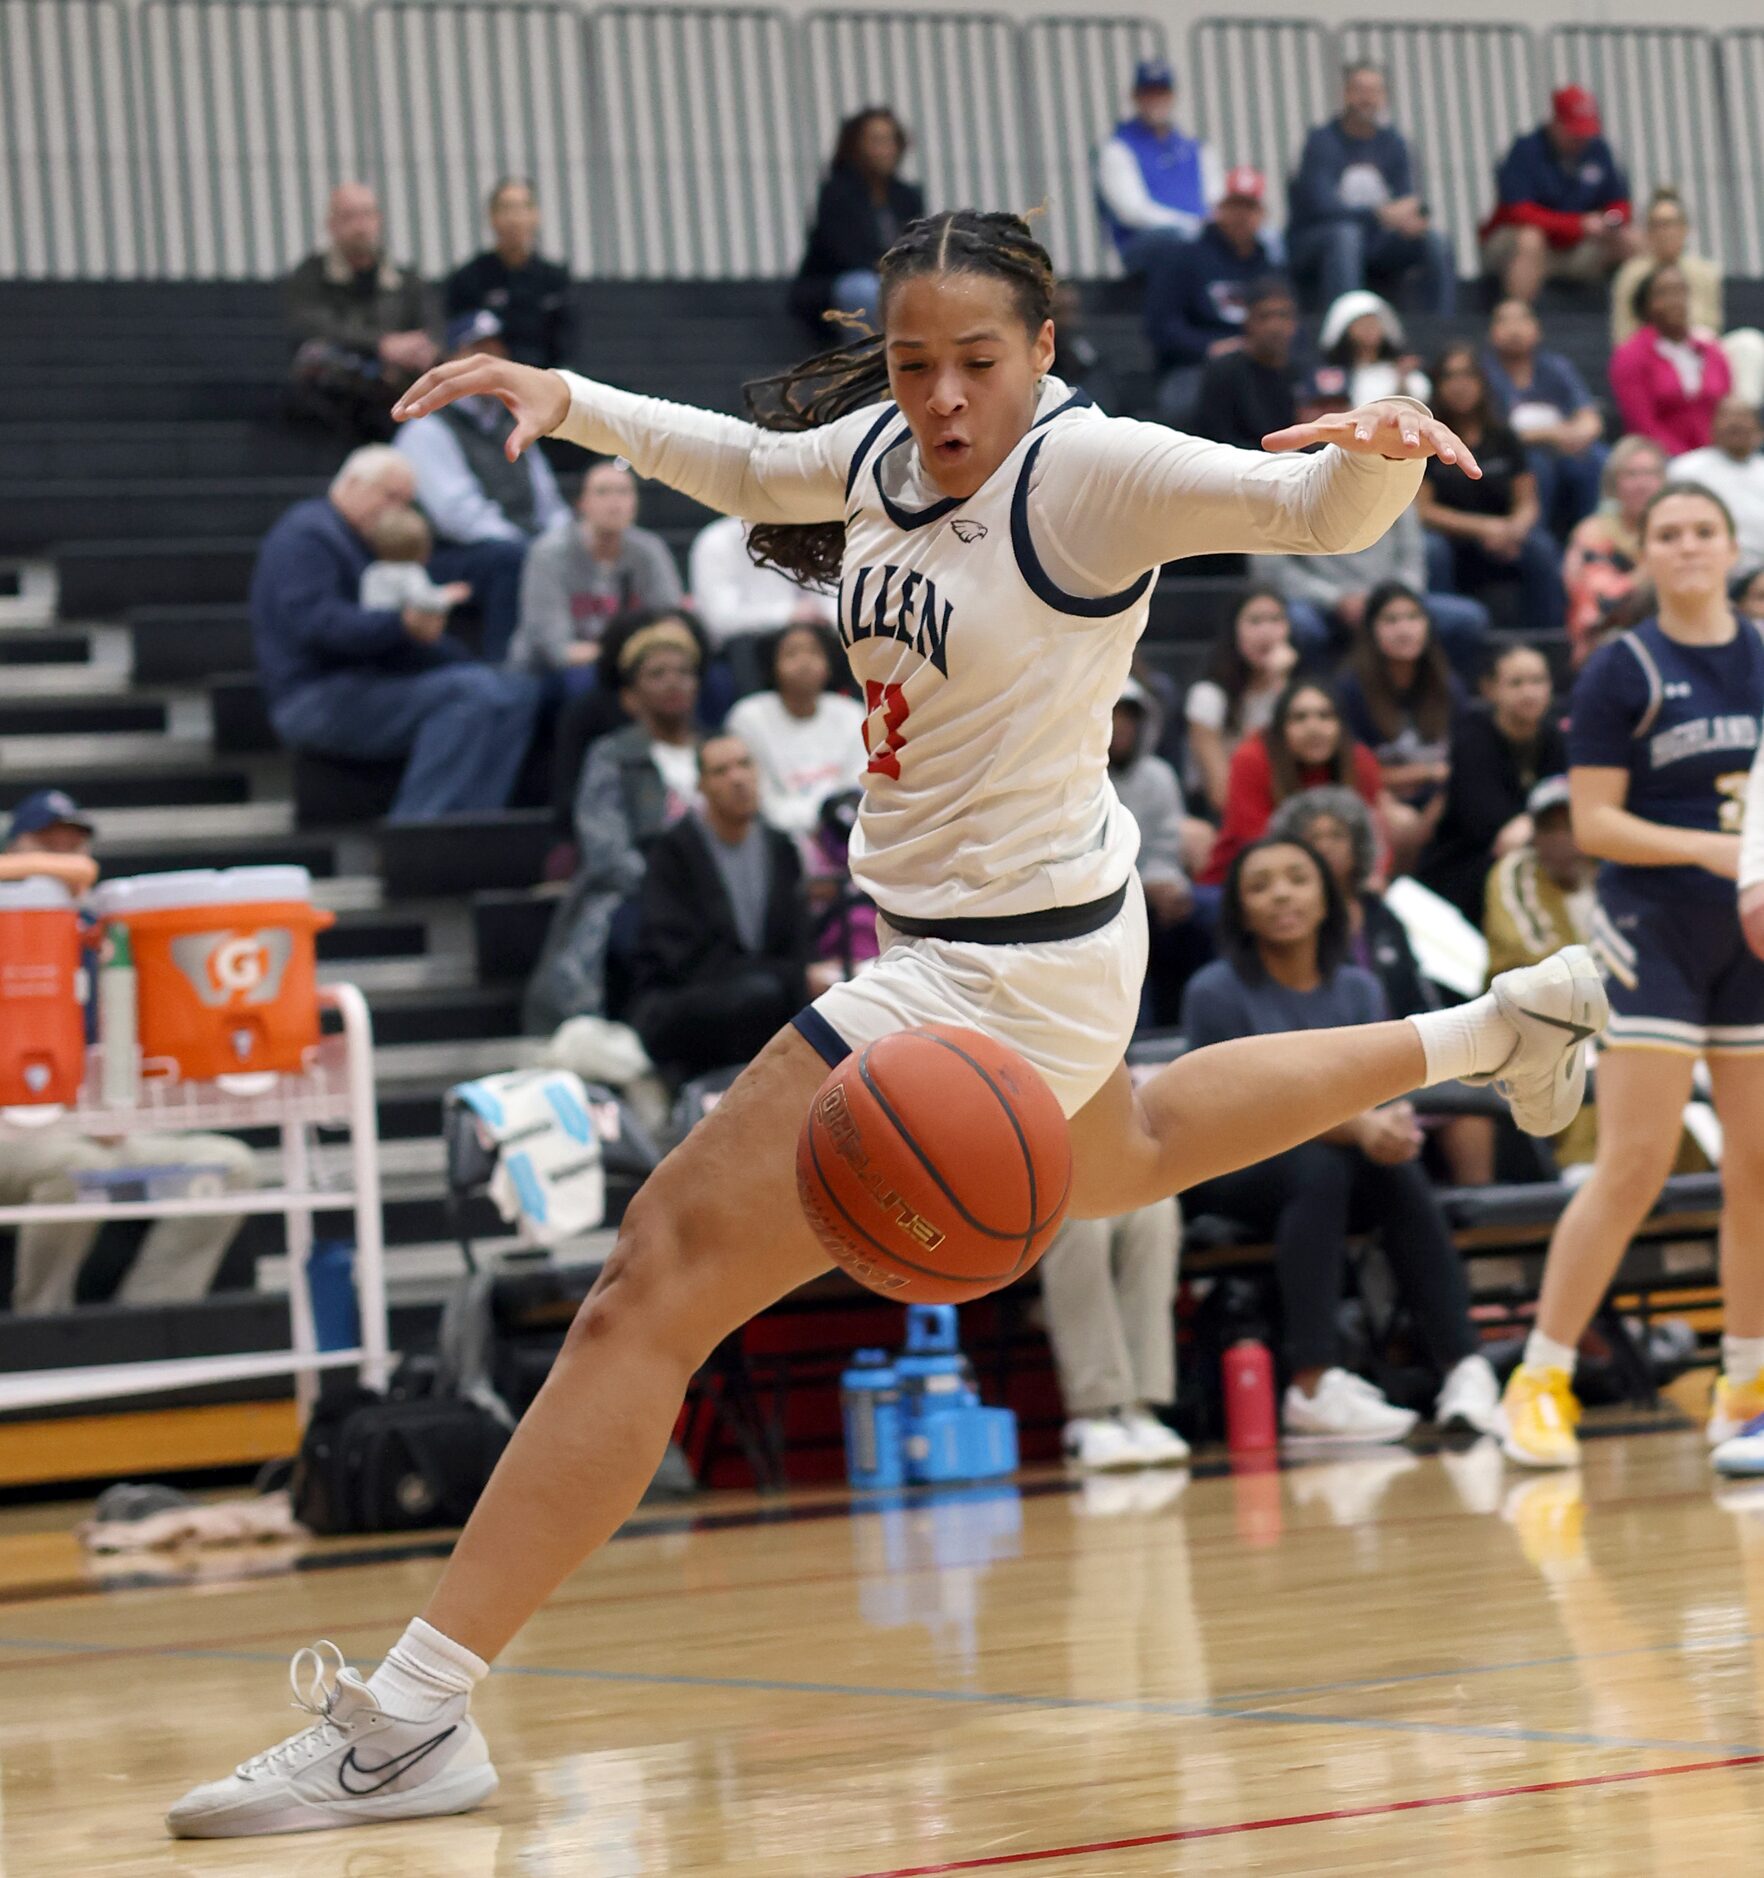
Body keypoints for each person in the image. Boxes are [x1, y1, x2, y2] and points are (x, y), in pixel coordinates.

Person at [171, 206, 1602, 1836]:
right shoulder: (884, 447)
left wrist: (1373, 451)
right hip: (1000, 928)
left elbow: (1301, 508)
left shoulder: (1086, 469)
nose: (937, 395)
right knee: (1119, 1151)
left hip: (995, 964)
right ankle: (1492, 1025)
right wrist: (564, 398)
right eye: (912, 361)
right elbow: (742, 462)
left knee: (644, 1286)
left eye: (973, 362)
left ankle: (407, 1716)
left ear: (1042, 347)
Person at [1500, 483, 1764, 1471]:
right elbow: (1596, 824)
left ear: (1731, 546)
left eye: (1703, 531)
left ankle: (1746, 1388)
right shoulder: (1624, 667)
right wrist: (1708, 852)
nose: (1688, 546)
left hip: (1750, 933)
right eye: (1668, 534)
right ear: (1645, 553)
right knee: (1636, 1162)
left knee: (1758, 1168)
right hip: (1652, 927)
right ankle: (1540, 1378)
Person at [1180, 838, 1503, 1441]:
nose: (1280, 893)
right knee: (1320, 1162)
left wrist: (1393, 1124)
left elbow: (1378, 1092)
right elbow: (1231, 1108)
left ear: (1327, 900)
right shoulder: (1214, 992)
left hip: (1335, 1166)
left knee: (1390, 1167)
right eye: (1260, 884)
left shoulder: (1358, 989)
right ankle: (1312, 1383)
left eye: (1297, 879)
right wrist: (1360, 1126)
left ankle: (1465, 1367)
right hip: (1229, 1168)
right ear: (1241, 910)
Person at [0, 795, 258, 1315]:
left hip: (99, 1122)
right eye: (46, 845)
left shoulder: (102, 937)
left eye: (74, 846)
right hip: (16, 1130)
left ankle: (150, 1323)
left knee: (229, 1166)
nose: (63, 859)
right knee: (76, 1166)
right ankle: (41, 1327)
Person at [249, 446, 539, 822]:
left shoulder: (363, 541)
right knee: (470, 695)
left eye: (405, 502)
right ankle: (418, 833)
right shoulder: (306, 536)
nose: (396, 511)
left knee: (515, 691)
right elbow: (318, 626)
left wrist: (438, 643)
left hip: (369, 680)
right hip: (315, 694)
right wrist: (402, 624)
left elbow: (391, 631)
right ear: (352, 483)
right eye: (390, 496)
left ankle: (471, 825)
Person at [1271, 786, 1496, 1186]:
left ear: (1358, 844)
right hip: (1340, 1065)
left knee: (1470, 1098)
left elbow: (1416, 990)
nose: (1325, 847)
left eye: (1336, 836)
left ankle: (1482, 1233)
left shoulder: (1382, 914)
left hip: (1403, 1051)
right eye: (1313, 837)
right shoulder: (1288, 922)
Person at [526, 611, 706, 1033]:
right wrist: (674, 888)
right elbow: (607, 852)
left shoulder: (719, 749)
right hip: (636, 893)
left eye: (683, 672)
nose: (674, 682)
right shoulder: (612, 756)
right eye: (657, 674)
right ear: (631, 696)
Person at [1251, 363, 1488, 679]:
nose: (1330, 414)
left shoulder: (1382, 454)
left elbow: (1411, 548)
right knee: (1299, 624)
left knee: (1469, 618)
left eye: (1338, 405)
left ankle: (1441, 697)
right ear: (1301, 410)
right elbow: (1270, 566)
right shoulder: (1278, 469)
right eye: (1320, 405)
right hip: (1322, 602)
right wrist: (1337, 599)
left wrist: (1392, 600)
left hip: (1387, 595)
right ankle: (1314, 701)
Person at [627, 736, 835, 1078]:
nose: (737, 779)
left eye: (744, 765)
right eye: (721, 771)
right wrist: (791, 976)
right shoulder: (674, 851)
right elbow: (683, 958)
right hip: (684, 997)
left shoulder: (780, 847)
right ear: (701, 787)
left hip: (767, 989)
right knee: (763, 995)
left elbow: (798, 942)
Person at [395, 309, 569, 658]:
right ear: (447, 362)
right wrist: (534, 548)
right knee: (510, 558)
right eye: (474, 355)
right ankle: (501, 664)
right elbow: (458, 516)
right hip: (451, 555)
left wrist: (561, 540)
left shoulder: (512, 420)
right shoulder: (426, 427)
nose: (489, 366)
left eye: (496, 355)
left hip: (518, 541)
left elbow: (548, 500)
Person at [1482, 775, 1599, 1172]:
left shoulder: (1618, 870)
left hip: (1614, 1008)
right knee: (1582, 1041)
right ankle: (1583, 1169)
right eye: (1550, 827)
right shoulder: (1514, 873)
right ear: (1534, 834)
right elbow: (1536, 961)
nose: (1564, 838)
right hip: (1533, 1017)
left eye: (1572, 823)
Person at [1287, 63, 1453, 317]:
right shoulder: (1321, 141)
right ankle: (1347, 324)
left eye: (1374, 91)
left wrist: (1414, 218)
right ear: (1345, 94)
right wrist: (1378, 215)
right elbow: (1321, 206)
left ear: (1384, 97)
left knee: (1435, 239)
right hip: (1319, 240)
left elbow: (1407, 198)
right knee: (1346, 235)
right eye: (1359, 90)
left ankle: (1444, 328)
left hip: (1379, 241)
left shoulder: (1395, 143)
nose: (1367, 98)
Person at [1417, 344, 1563, 631]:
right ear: (1438, 385)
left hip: (1503, 538)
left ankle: (1547, 640)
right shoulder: (1427, 439)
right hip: (1452, 540)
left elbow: (1528, 501)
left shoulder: (1504, 436)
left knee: (1541, 549)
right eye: (1449, 377)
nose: (1459, 385)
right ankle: (1446, 633)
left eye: (1467, 376)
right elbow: (1424, 511)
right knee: (1432, 550)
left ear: (1482, 383)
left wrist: (1514, 529)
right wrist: (1486, 528)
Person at [1417, 642, 1566, 923]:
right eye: (1516, 683)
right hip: (1465, 872)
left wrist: (1534, 824)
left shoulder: (1555, 738)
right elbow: (1494, 830)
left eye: (1538, 681)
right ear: (1489, 689)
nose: (1529, 692)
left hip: (1534, 859)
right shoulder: (1471, 741)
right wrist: (1542, 822)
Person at [1039, 1200, 1190, 1470]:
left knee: (1156, 1207)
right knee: (1078, 1215)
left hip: (1100, 1180)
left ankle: (1139, 1409)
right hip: (1028, 1199)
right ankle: (1095, 1411)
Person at [1202, 676, 1395, 885]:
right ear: (1279, 728)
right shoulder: (1251, 759)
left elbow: (1376, 839)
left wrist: (1374, 877)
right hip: (1249, 882)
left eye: (1325, 716)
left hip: (1340, 886)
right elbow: (1254, 841)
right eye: (1299, 718)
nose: (1314, 728)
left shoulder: (1359, 760)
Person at [283, 183, 437, 442]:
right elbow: (308, 327)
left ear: (378, 220)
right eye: (349, 216)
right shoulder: (309, 276)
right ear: (331, 225)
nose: (360, 225)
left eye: (366, 215)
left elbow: (432, 329)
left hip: (399, 387)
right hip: (337, 395)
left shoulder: (407, 280)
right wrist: (381, 345)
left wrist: (419, 350)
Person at [508, 460, 683, 681]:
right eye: (602, 492)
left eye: (624, 492)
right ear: (581, 503)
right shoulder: (549, 553)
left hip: (626, 664)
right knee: (584, 679)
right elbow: (555, 648)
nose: (614, 502)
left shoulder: (650, 550)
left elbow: (670, 622)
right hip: (545, 673)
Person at [1333, 583, 1462, 865]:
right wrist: (1426, 771)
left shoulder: (1447, 685)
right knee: (1399, 824)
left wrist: (1433, 810)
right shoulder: (1351, 689)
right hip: (1376, 797)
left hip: (1438, 798)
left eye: (1414, 618)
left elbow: (1460, 766)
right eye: (1391, 620)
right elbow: (1352, 771)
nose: (1404, 630)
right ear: (1371, 630)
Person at [1146, 167, 1279, 429]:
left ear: (1261, 215)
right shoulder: (1184, 258)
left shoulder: (1269, 268)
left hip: (1259, 366)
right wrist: (1211, 347)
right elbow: (1160, 327)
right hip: (1195, 367)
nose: (1241, 216)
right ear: (1219, 210)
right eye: (1234, 206)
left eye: (1249, 208)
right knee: (1181, 412)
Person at [1479, 87, 1638, 306]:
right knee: (1530, 239)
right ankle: (1515, 319)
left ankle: (1638, 322)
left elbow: (1620, 205)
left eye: (1586, 132)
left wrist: (1609, 221)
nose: (1581, 140)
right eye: (1574, 132)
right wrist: (1577, 225)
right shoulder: (1526, 151)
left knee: (1632, 238)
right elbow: (1518, 212)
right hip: (1525, 249)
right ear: (1555, 124)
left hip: (1580, 248)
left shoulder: (1598, 150)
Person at [1110, 679, 1209, 1025]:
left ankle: (1198, 1025)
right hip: (1100, 902)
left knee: (1212, 909)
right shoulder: (1072, 778)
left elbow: (1166, 846)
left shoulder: (1158, 775)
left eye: (1127, 716)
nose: (1119, 725)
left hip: (1155, 891)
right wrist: (1141, 886)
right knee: (1124, 936)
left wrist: (1167, 883)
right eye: (1110, 714)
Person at [1611, 188, 1764, 407]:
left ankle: (1740, 424)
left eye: (1672, 224)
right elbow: (1623, 338)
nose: (1666, 232)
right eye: (1658, 225)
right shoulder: (1631, 275)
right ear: (1647, 232)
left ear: (1685, 229)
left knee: (1749, 343)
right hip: (1654, 361)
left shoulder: (1706, 272)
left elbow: (1711, 329)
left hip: (1701, 354)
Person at [725, 624, 866, 843]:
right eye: (791, 653)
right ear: (772, 666)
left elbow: (858, 787)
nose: (804, 661)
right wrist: (819, 819)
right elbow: (763, 799)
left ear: (829, 664)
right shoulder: (748, 718)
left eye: (814, 652)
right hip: (779, 839)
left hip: (847, 832)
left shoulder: (851, 713)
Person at [790, 108, 924, 336]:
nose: (885, 149)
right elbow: (843, 253)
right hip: (840, 283)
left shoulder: (906, 195)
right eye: (876, 140)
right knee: (867, 290)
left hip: (894, 279)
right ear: (856, 146)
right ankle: (868, 362)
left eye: (891, 140)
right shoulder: (837, 193)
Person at [1482, 298, 1606, 539]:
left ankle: (1593, 540)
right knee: (1536, 467)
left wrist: (1578, 434)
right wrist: (1551, 433)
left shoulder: (1555, 367)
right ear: (1491, 333)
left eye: (1522, 319)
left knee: (1596, 459)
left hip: (1563, 447)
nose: (1514, 329)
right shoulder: (1484, 373)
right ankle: (1537, 541)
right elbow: (1493, 429)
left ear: (1537, 329)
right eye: (1504, 321)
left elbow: (1590, 417)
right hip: (1512, 452)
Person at [1095, 58, 1222, 279]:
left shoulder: (1196, 148)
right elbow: (1132, 210)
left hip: (1200, 238)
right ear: (1136, 96)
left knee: (1265, 239)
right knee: (1177, 241)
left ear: (1172, 96)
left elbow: (1217, 200)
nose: (1155, 100)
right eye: (1149, 92)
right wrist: (1192, 226)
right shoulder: (1117, 148)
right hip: (1146, 244)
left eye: (1161, 92)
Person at [1183, 588, 1298, 814]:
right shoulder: (1208, 696)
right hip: (1225, 814)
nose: (1266, 632)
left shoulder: (1299, 693)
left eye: (1276, 620)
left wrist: (1281, 685)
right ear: (1233, 631)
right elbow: (1221, 795)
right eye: (1254, 621)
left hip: (1287, 808)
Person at [443, 177, 575, 370]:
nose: (514, 219)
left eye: (522, 208)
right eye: (506, 209)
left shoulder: (556, 279)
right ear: (492, 217)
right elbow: (458, 343)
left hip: (543, 379)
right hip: (488, 382)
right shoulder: (468, 278)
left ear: (535, 216)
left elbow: (569, 348)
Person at [1562, 435, 1667, 666]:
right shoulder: (1594, 532)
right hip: (1606, 639)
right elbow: (1601, 601)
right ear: (1613, 483)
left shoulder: (1676, 530)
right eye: (1631, 474)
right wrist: (1652, 567)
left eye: (1650, 474)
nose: (1642, 484)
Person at [1610, 265, 1732, 460]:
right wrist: (1687, 461)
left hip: (1716, 459)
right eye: (1664, 293)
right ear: (1646, 305)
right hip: (1661, 462)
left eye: (1680, 291)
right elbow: (1643, 425)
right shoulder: (1630, 356)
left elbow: (1727, 411)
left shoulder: (1712, 351)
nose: (1675, 301)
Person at [1189, 278, 1300, 453]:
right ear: (1248, 321)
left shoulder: (1303, 373)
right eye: (1265, 316)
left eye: (1283, 316)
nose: (1275, 326)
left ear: (1294, 323)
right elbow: (1216, 440)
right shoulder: (1223, 372)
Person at [1668, 398, 1764, 569]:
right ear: (1712, 426)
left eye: (1743, 416)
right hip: (1702, 566)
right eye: (1727, 416)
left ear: (1758, 428)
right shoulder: (1687, 470)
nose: (1736, 423)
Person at [358, 507, 471, 622]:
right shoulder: (411, 572)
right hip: (399, 632)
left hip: (374, 629)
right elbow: (423, 600)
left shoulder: (372, 571)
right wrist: (448, 595)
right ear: (422, 549)